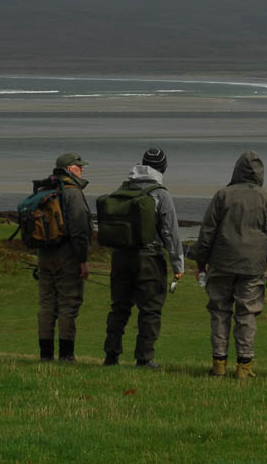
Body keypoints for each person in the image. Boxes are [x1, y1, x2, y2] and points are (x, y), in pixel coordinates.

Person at [191, 151, 267, 379]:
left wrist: (201, 263)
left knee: (219, 312)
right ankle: (244, 365)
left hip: (221, 263)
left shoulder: (222, 195)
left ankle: (219, 363)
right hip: (253, 266)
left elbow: (207, 233)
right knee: (247, 314)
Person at [102, 147, 184, 368]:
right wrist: (178, 265)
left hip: (120, 256)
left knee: (119, 307)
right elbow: (170, 233)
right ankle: (144, 358)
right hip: (149, 258)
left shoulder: (123, 187)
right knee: (150, 309)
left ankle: (111, 356)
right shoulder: (161, 194)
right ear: (163, 168)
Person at [36, 152, 92, 362]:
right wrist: (83, 260)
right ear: (70, 169)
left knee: (47, 305)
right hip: (67, 257)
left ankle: (45, 355)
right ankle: (66, 355)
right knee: (68, 304)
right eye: (79, 166)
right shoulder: (72, 193)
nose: (82, 169)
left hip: (44, 256)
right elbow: (79, 230)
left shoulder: (44, 189)